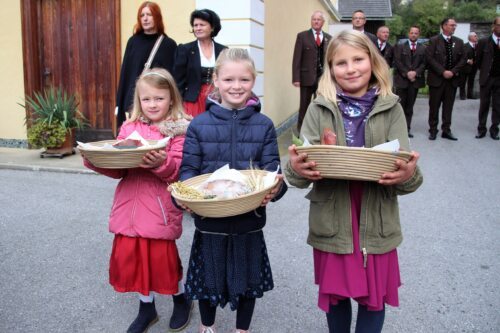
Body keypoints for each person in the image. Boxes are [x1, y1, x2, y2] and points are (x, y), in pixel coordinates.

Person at [284, 30, 423, 333]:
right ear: (330, 69)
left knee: (373, 298)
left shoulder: (391, 106)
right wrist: (297, 168)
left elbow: (407, 170)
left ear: (372, 62)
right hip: (333, 217)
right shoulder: (319, 108)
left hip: (375, 216)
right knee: (336, 296)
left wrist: (408, 173)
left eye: (358, 59)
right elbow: (296, 172)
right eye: (340, 62)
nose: (350, 68)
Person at [176, 48, 287, 333]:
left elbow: (272, 171)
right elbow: (188, 171)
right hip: (210, 222)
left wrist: (276, 189)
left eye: (244, 80)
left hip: (248, 221)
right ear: (215, 80)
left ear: (253, 80)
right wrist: (186, 199)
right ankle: (207, 326)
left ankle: (242, 330)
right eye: (228, 80)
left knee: (248, 282)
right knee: (207, 280)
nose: (236, 86)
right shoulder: (199, 124)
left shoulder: (263, 125)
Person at [82, 68, 193, 333]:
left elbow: (179, 170)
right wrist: (95, 160)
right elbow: (119, 168)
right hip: (128, 208)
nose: (153, 104)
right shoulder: (129, 127)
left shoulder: (180, 130)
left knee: (162, 262)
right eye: (147, 99)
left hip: (159, 208)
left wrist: (162, 164)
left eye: (159, 98)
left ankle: (181, 299)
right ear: (138, 101)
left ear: (171, 99)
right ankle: (147, 308)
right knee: (134, 261)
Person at [115, 1, 177, 130]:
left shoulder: (168, 44)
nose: (145, 18)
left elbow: (172, 79)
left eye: (149, 14)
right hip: (135, 100)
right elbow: (125, 74)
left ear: (157, 17)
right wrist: (120, 103)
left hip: (157, 103)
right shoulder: (133, 42)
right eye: (142, 15)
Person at [173, 9, 226, 117]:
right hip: (193, 101)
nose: (198, 28)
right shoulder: (185, 49)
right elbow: (178, 81)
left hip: (218, 100)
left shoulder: (223, 50)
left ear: (212, 27)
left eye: (202, 25)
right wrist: (177, 106)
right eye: (195, 25)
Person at [425, 18, 466, 141]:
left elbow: (463, 59)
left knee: (448, 107)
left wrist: (452, 72)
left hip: (451, 81)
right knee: (434, 106)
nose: (454, 27)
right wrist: (443, 71)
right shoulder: (434, 41)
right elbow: (429, 58)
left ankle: (446, 130)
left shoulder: (459, 42)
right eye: (452, 25)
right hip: (437, 80)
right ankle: (433, 130)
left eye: (455, 25)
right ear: (444, 26)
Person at [292, 10, 332, 132]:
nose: (316, 21)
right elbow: (296, 58)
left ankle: (319, 130)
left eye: (318, 19)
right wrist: (296, 78)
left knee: (322, 104)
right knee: (304, 106)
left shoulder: (329, 38)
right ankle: (301, 131)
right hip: (306, 77)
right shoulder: (302, 36)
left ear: (323, 22)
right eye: (314, 19)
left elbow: (330, 59)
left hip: (323, 77)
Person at [393, 26, 427, 137]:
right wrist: (407, 73)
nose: (413, 35)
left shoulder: (423, 48)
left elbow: (424, 63)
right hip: (402, 80)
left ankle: (407, 129)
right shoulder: (400, 46)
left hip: (415, 81)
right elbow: (398, 62)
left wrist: (415, 73)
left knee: (409, 107)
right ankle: (398, 130)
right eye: (412, 33)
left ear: (419, 34)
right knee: (400, 106)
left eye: (416, 33)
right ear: (408, 33)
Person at [475, 17, 500, 140]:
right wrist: (485, 71)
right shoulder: (484, 42)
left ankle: (495, 129)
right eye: (499, 25)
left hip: (499, 79)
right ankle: (481, 129)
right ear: (494, 26)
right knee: (484, 104)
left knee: (498, 105)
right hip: (487, 78)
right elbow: (478, 61)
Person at [459, 32, 479, 100]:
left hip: (474, 67)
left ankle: (470, 95)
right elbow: (460, 56)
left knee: (471, 81)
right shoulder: (464, 46)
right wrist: (467, 61)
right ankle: (462, 95)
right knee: (462, 81)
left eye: (476, 36)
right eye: (475, 36)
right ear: (470, 37)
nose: (477, 37)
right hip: (465, 67)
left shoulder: (478, 46)